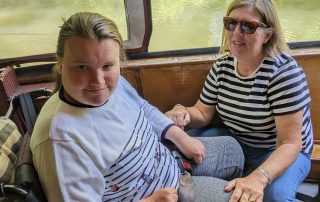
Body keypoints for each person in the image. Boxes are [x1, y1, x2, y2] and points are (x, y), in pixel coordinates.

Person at [30, 12, 244, 202]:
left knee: (234, 151)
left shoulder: (115, 85)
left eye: (107, 66)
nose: (98, 81)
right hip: (159, 194)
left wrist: (179, 136)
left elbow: (142, 108)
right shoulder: (60, 140)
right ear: (60, 62)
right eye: (82, 67)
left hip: (168, 158)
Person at [166, 0, 313, 201]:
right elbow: (202, 113)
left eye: (248, 26)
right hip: (235, 139)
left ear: (267, 34)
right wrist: (181, 111)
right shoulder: (222, 66)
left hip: (277, 149)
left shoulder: (283, 73)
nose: (236, 33)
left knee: (274, 197)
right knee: (178, 146)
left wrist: (259, 178)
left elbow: (290, 143)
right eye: (231, 23)